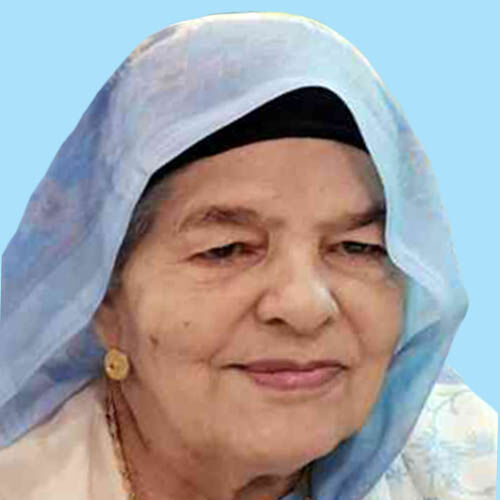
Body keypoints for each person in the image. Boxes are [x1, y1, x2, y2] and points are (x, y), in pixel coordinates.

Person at [0, 12, 496, 500]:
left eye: (357, 247)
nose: (305, 306)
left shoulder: (469, 465)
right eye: (227, 250)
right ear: (105, 301)